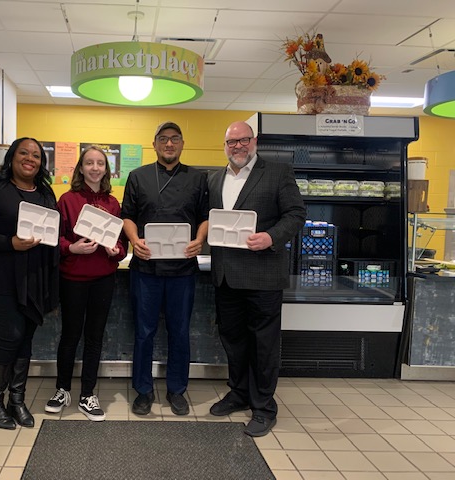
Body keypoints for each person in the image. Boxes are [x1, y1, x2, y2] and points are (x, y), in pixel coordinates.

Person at [207, 121, 306, 437]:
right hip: (226, 276)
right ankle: (238, 394)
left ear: (255, 141)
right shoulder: (214, 178)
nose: (237, 146)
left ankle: (264, 408)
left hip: (262, 275)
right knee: (233, 341)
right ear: (225, 145)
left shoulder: (278, 172)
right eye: (231, 141)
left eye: (243, 140)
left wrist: (271, 237)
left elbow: (296, 215)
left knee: (264, 345)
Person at [0, 137, 59, 430]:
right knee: (11, 335)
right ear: (12, 158)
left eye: (36, 155)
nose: (30, 159)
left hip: (35, 276)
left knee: (26, 338)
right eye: (24, 153)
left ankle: (17, 400)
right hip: (4, 275)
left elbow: (53, 231)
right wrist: (8, 243)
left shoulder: (45, 192)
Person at [121, 121, 209, 416]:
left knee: (180, 331)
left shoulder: (198, 178)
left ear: (182, 144)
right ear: (155, 144)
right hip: (146, 268)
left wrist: (199, 239)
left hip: (183, 269)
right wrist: (134, 240)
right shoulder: (137, 176)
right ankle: (143, 391)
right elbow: (127, 216)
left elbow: (205, 217)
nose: (169, 144)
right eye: (163, 139)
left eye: (174, 139)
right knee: (144, 332)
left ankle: (176, 389)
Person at [45, 146, 127, 421]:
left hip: (103, 279)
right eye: (89, 163)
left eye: (100, 163)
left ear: (106, 169)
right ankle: (62, 389)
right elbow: (54, 239)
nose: (94, 167)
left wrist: (117, 250)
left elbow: (121, 244)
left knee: (95, 337)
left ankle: (87, 394)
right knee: (69, 336)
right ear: (81, 168)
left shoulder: (113, 204)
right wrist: (72, 248)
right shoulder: (67, 200)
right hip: (73, 279)